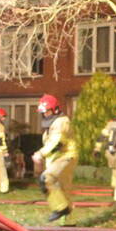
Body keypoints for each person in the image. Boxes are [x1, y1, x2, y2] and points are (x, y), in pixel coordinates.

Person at [32, 94, 77, 223]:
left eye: (47, 111)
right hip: (58, 159)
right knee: (60, 189)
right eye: (43, 112)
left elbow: (56, 142)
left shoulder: (61, 122)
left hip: (66, 157)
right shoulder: (52, 124)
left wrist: (41, 154)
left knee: (47, 179)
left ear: (55, 109)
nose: (45, 114)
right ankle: (67, 222)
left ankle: (61, 209)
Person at [94, 109, 116, 191]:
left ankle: (114, 187)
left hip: (110, 152)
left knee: (114, 170)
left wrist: (97, 149)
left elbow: (101, 137)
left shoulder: (111, 124)